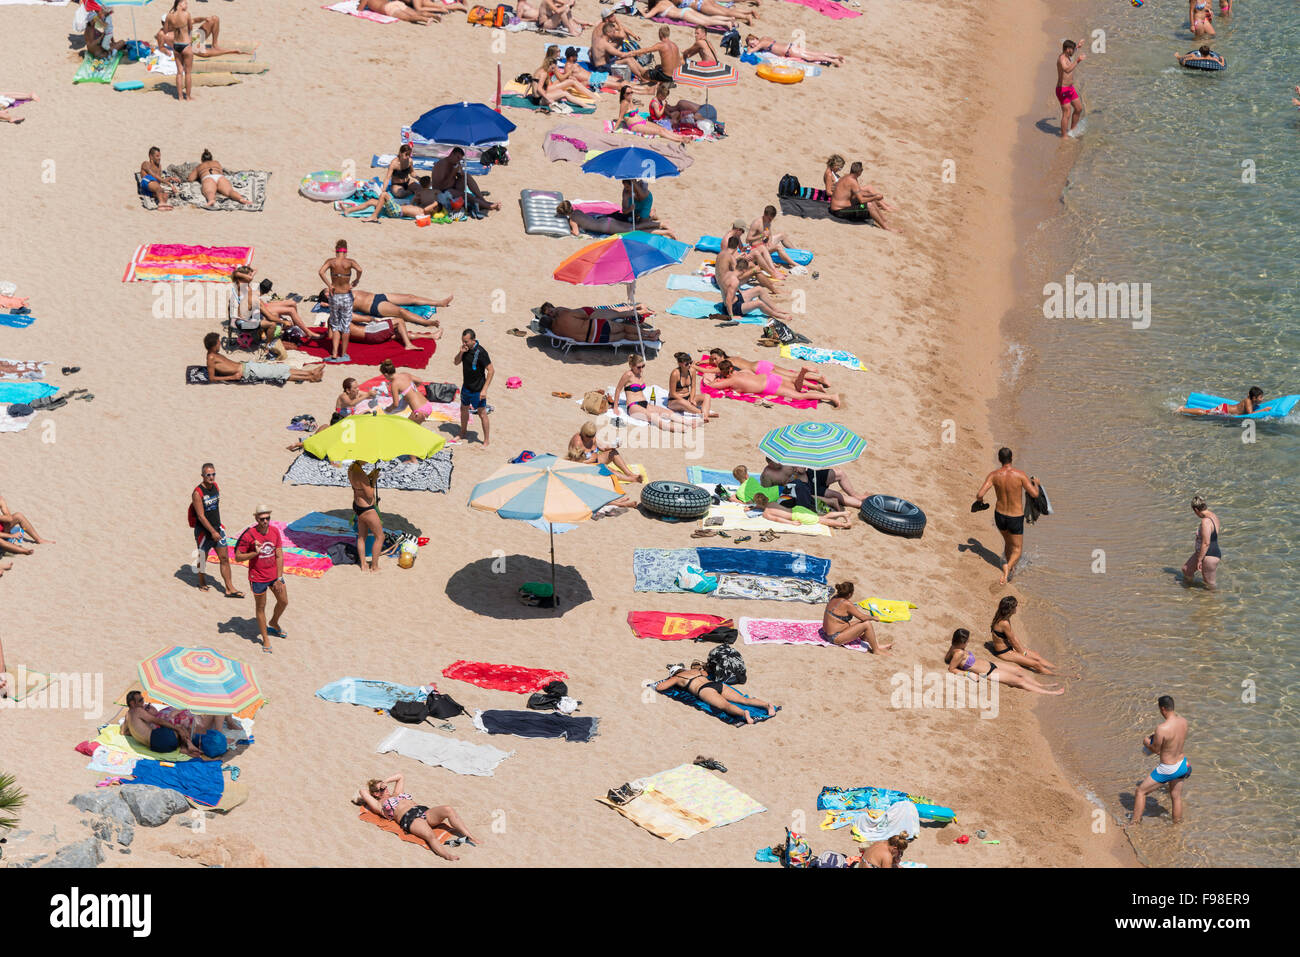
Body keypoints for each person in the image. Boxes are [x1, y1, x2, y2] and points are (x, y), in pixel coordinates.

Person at [354, 775, 479, 860]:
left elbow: (400, 776)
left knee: (448, 809)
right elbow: (362, 791)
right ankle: (447, 855)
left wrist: (385, 781)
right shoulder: (379, 805)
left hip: (423, 811)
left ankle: (471, 837)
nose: (386, 789)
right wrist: (376, 788)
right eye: (382, 789)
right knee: (430, 835)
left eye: (386, 787)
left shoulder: (397, 793)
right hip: (410, 819)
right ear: (376, 794)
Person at [972, 446, 1039, 584]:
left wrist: (980, 502)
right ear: (1011, 458)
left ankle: (1010, 570)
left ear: (999, 459)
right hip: (1015, 517)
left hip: (1000, 516)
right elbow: (1034, 494)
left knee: (1008, 543)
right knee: (1018, 549)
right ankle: (1007, 567)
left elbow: (979, 494)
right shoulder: (1020, 475)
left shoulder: (994, 475)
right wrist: (1036, 484)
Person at [944, 628, 1064, 695]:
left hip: (989, 664)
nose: (968, 642)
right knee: (1019, 681)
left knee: (1019, 670)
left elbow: (947, 659)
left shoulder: (955, 647)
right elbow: (951, 669)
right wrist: (968, 674)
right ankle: (1052, 693)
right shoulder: (958, 653)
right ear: (961, 641)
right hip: (989, 672)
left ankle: (1042, 685)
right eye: (966, 640)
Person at [234, 505, 287, 653]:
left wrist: (279, 577)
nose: (265, 521)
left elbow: (279, 555)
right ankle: (265, 638)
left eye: (267, 518)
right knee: (261, 607)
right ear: (256, 519)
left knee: (283, 601)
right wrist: (254, 554)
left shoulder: (275, 531)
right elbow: (238, 557)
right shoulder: (249, 535)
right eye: (262, 519)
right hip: (257, 577)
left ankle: (274, 622)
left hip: (273, 575)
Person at [1131, 695, 1191, 826]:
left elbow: (1155, 750)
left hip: (1168, 768)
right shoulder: (1184, 721)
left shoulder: (1162, 729)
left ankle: (1134, 823)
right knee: (1176, 796)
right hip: (1182, 764)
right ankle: (1177, 826)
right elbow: (1174, 741)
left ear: (1163, 709)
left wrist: (1146, 742)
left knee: (1140, 791)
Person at [654, 662, 777, 724]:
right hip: (716, 684)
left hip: (704, 690)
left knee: (725, 706)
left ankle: (744, 714)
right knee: (743, 699)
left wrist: (672, 681)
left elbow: (660, 687)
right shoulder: (694, 671)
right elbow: (706, 674)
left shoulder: (677, 677)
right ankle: (767, 705)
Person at [190, 463, 241, 597]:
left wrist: (217, 528)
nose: (211, 477)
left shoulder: (216, 487)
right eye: (208, 475)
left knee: (224, 558)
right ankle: (201, 582)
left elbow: (215, 509)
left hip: (218, 529)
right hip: (204, 532)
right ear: (202, 476)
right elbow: (201, 516)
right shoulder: (197, 493)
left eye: (213, 474)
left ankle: (230, 588)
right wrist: (212, 531)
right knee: (202, 558)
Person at [705, 358, 843, 407]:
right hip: (768, 378)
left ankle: (831, 397)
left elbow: (710, 386)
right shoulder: (742, 372)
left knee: (800, 396)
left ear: (724, 373)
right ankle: (802, 374)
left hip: (769, 386)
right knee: (797, 388)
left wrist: (712, 378)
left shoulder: (731, 380)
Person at [615, 354, 699, 432]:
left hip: (645, 404)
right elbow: (618, 389)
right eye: (638, 367)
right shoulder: (628, 374)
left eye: (643, 366)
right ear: (631, 366)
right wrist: (615, 407)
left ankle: (689, 422)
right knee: (654, 417)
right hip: (633, 406)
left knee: (668, 413)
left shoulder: (640, 373)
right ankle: (676, 428)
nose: (641, 369)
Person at [717, 237, 794, 320]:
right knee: (759, 303)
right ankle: (777, 315)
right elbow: (728, 300)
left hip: (736, 300)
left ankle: (775, 309)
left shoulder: (728, 273)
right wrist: (732, 316)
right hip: (735, 308)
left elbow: (728, 291)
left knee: (759, 289)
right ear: (744, 270)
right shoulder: (734, 281)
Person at [204, 332, 323, 384]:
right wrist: (232, 377)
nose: (220, 345)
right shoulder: (211, 358)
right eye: (218, 343)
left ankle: (310, 373)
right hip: (247, 371)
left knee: (280, 367)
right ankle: (310, 377)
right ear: (213, 345)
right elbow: (211, 378)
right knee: (278, 372)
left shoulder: (214, 355)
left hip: (247, 366)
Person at [987, 595, 1062, 675]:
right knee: (1036, 664)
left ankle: (1058, 669)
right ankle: (1059, 675)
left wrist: (1023, 650)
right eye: (1015, 606)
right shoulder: (1004, 623)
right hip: (1004, 653)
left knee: (1036, 656)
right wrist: (1023, 654)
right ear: (1010, 609)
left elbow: (1014, 637)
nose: (1016, 608)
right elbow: (1012, 641)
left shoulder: (1004, 617)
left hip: (1009, 649)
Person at [318, 239, 362, 362]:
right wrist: (356, 280)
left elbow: (321, 272)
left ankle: (334, 354)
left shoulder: (331, 262)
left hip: (334, 295)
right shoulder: (350, 262)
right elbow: (360, 269)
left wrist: (329, 284)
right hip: (346, 295)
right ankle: (343, 354)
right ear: (346, 251)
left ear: (336, 250)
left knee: (335, 325)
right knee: (346, 326)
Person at [537, 301, 663, 342]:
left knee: (622, 329)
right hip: (595, 324)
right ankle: (647, 330)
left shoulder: (555, 330)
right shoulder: (563, 314)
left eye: (550, 310)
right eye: (548, 313)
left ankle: (648, 337)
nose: (551, 312)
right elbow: (581, 314)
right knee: (621, 323)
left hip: (594, 339)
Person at [125, 690, 203, 756]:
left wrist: (137, 731)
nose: (143, 703)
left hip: (156, 747)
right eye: (140, 700)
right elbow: (158, 721)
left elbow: (123, 732)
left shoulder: (127, 715)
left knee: (176, 729)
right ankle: (187, 746)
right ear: (132, 703)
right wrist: (177, 729)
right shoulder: (137, 710)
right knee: (179, 727)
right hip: (161, 740)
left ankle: (185, 747)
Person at [428, 148, 499, 219]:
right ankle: (488, 206)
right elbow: (441, 185)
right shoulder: (442, 165)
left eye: (460, 159)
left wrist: (460, 170)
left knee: (466, 176)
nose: (458, 160)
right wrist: (453, 171)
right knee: (467, 195)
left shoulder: (455, 163)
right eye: (457, 157)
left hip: (452, 187)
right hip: (443, 191)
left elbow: (460, 175)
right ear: (452, 154)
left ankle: (481, 199)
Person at [707, 348, 830, 389]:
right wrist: (703, 360)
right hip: (761, 363)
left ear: (721, 356)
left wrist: (697, 365)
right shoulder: (733, 357)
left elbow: (707, 370)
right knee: (791, 373)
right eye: (712, 359)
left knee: (790, 378)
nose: (713, 361)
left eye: (715, 359)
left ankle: (815, 386)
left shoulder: (726, 364)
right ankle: (819, 378)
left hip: (760, 371)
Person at [819, 582, 889, 650]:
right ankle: (876, 650)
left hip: (827, 633)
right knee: (867, 624)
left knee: (860, 622)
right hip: (834, 637)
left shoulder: (834, 597)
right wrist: (874, 618)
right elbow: (862, 617)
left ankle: (866, 639)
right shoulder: (847, 604)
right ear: (850, 594)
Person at [568, 422, 642, 483]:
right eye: (588, 436)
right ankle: (631, 479)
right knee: (607, 469)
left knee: (613, 452)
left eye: (592, 435)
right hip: (585, 465)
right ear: (583, 433)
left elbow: (603, 448)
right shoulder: (577, 442)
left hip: (595, 460)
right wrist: (590, 461)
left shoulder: (592, 437)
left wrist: (614, 445)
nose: (590, 438)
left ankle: (629, 474)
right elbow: (574, 462)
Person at [454, 329, 493, 448]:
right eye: (463, 341)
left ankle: (486, 440)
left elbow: (491, 370)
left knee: (482, 414)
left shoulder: (481, 352)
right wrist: (461, 352)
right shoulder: (464, 349)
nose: (464, 344)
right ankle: (463, 432)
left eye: (466, 342)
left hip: (478, 389)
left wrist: (484, 389)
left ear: (473, 340)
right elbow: (456, 362)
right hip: (466, 387)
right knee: (463, 409)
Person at [829, 161, 894, 229]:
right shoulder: (853, 181)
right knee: (869, 205)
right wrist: (875, 197)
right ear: (860, 172)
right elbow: (862, 200)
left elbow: (858, 194)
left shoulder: (848, 177)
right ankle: (886, 227)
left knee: (870, 200)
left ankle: (884, 220)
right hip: (840, 211)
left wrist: (873, 195)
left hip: (844, 205)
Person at [611, 26, 682, 84]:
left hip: (664, 77)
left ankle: (644, 79)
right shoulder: (674, 45)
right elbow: (678, 63)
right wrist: (663, 66)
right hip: (673, 77)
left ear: (660, 34)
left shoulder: (661, 45)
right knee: (657, 67)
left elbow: (646, 50)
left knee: (643, 73)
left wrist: (631, 53)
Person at [617, 88, 691, 142]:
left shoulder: (630, 101)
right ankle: (679, 140)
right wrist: (613, 129)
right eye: (628, 93)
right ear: (623, 94)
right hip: (635, 126)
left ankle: (682, 136)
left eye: (631, 92)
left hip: (642, 121)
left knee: (663, 129)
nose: (630, 94)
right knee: (660, 132)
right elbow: (620, 118)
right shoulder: (624, 104)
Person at [1181, 495, 1223, 590]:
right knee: (1186, 570)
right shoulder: (1214, 516)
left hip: (1209, 555)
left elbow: (1206, 543)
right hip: (1203, 553)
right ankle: (1192, 592)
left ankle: (1212, 603)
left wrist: (1200, 560)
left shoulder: (1206, 521)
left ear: (1196, 510)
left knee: (1209, 585)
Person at [349, 462, 383, 573]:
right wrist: (373, 480)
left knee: (361, 537)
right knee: (380, 537)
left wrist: (369, 478)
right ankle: (374, 566)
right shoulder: (361, 473)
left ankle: (363, 564)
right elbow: (369, 494)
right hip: (367, 509)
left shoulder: (352, 468)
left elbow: (360, 485)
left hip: (358, 506)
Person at [379, 358, 434, 425]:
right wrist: (411, 390)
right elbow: (419, 381)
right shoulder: (405, 374)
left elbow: (396, 405)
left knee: (406, 429)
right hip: (427, 404)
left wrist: (387, 410)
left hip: (420, 412)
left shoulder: (394, 384)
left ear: (386, 375)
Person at [747, 205, 800, 271]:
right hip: (757, 247)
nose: (770, 221)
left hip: (764, 243)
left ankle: (798, 253)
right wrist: (761, 235)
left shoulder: (768, 221)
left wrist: (769, 241)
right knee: (778, 247)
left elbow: (770, 235)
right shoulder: (757, 223)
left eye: (772, 219)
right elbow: (748, 239)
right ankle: (795, 264)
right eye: (769, 219)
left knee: (782, 235)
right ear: (764, 215)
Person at [162, 0, 195, 101]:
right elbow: (190, 28)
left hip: (176, 45)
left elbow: (165, 30)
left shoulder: (169, 16)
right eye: (185, 3)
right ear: (180, 3)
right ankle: (188, 97)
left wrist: (175, 28)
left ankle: (180, 97)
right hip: (186, 45)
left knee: (179, 72)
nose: (187, 5)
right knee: (188, 73)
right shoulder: (186, 14)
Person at [667, 351, 716, 419]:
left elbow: (693, 387)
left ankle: (704, 414)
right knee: (683, 402)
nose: (689, 365)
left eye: (690, 362)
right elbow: (672, 394)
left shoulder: (692, 371)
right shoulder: (675, 374)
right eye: (687, 364)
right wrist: (686, 402)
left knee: (707, 396)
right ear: (680, 364)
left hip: (688, 398)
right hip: (675, 401)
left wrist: (692, 399)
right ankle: (704, 414)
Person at [1055, 38, 1087, 139]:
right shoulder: (1062, 59)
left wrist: (1078, 46)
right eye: (1072, 49)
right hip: (1062, 90)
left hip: (1070, 88)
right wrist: (1078, 60)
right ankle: (1064, 136)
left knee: (1078, 108)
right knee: (1067, 113)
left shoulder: (1068, 55)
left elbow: (1074, 52)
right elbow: (1067, 70)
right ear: (1068, 49)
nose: (1073, 51)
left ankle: (1072, 130)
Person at [745, 34, 844, 66]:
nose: (753, 45)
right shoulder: (764, 38)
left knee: (810, 58)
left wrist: (749, 48)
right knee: (814, 53)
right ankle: (837, 56)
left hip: (790, 51)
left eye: (752, 42)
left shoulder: (761, 43)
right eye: (751, 44)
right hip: (790, 46)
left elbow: (750, 52)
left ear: (756, 38)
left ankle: (833, 61)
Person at [641, 0, 746, 29]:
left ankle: (727, 23)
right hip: (686, 10)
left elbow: (646, 16)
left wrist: (642, 10)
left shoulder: (658, 7)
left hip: (684, 14)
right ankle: (729, 20)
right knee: (707, 18)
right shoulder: (666, 1)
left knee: (706, 21)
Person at [1178, 386, 1261, 416]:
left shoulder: (1249, 398)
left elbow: (1249, 394)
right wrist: (1264, 409)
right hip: (1224, 410)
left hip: (1226, 407)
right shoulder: (1248, 402)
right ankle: (1183, 409)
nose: (1262, 399)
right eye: (1260, 397)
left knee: (1206, 412)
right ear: (1254, 398)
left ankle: (1184, 409)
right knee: (1204, 412)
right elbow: (1250, 414)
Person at [362, 0, 438, 24]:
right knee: (415, 13)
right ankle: (432, 15)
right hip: (395, 3)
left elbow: (359, 9)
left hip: (389, 8)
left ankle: (426, 20)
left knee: (407, 18)